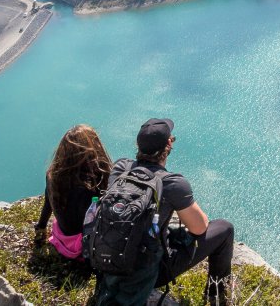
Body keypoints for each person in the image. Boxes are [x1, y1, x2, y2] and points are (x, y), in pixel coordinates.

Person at [95, 118, 235, 306]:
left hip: (107, 261)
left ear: (138, 145)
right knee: (225, 229)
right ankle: (216, 296)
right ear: (168, 144)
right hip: (148, 271)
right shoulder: (173, 183)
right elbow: (200, 228)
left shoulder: (120, 168)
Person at [34, 124, 112, 261]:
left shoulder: (52, 175)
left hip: (63, 239)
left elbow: (48, 203)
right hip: (85, 246)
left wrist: (40, 227)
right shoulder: (94, 182)